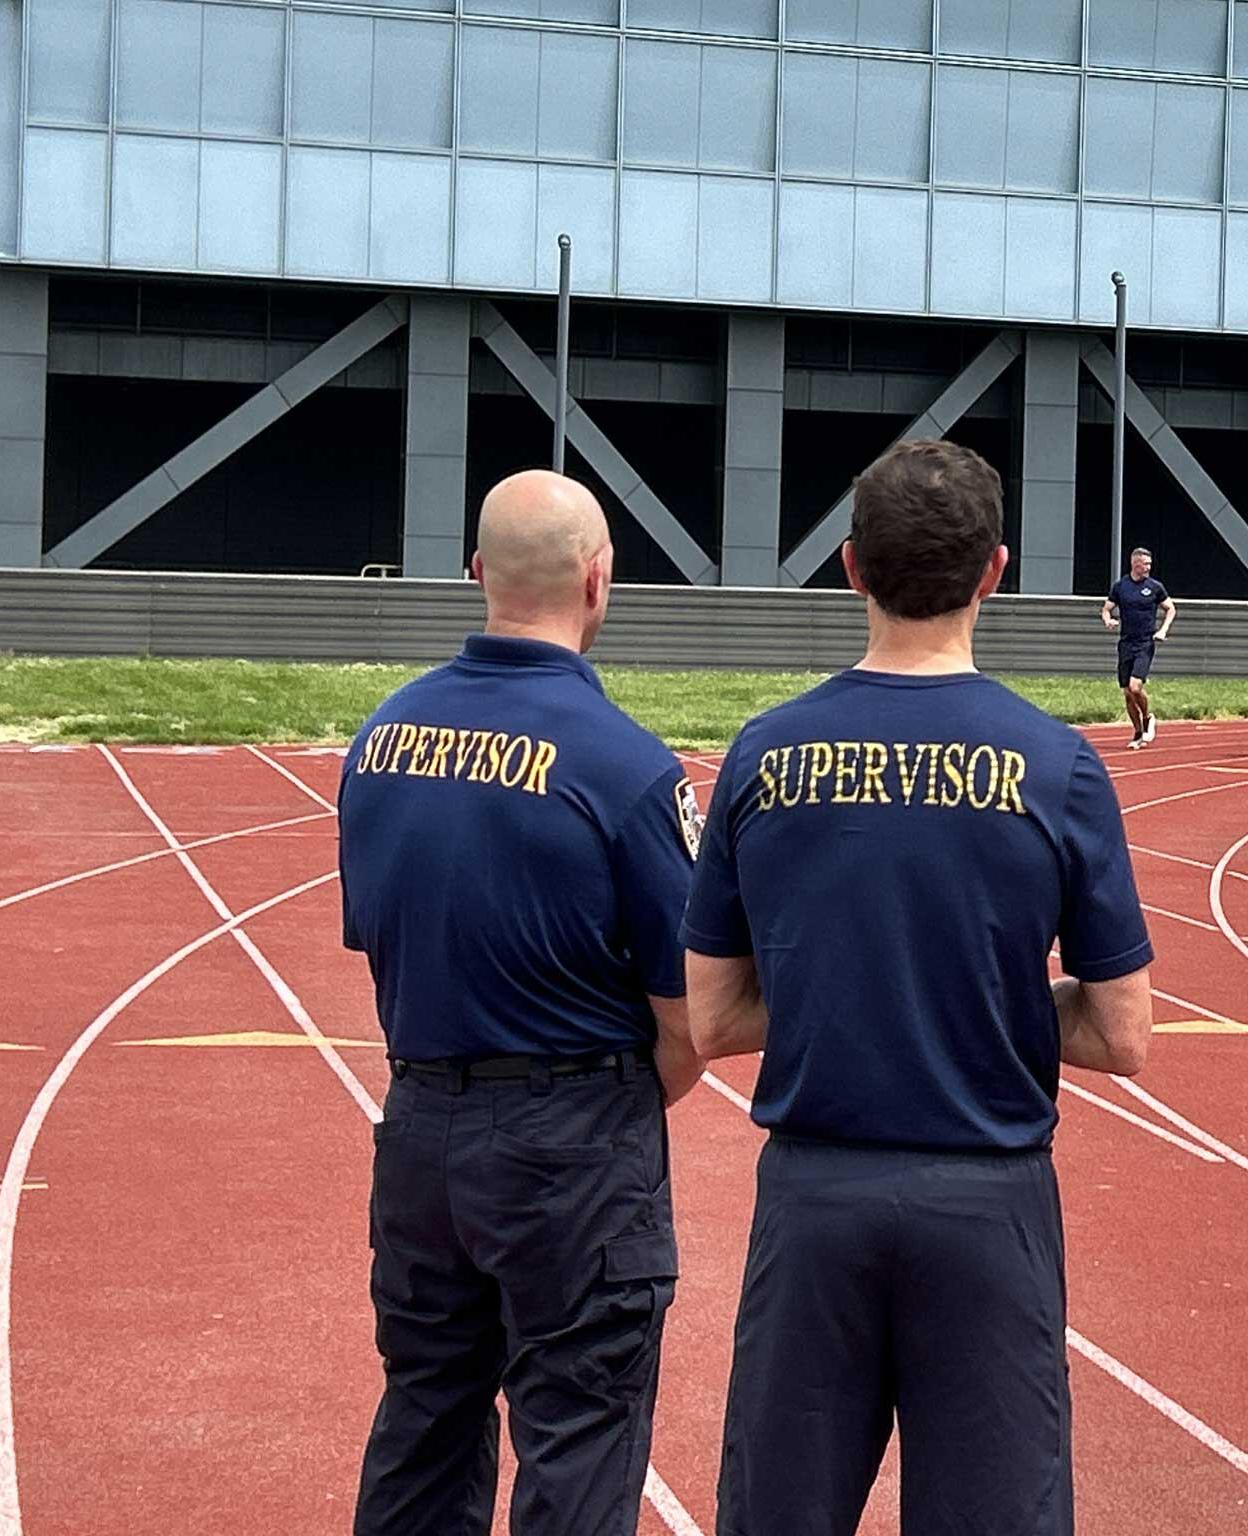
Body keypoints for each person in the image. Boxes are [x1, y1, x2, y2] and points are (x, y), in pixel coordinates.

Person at [682, 439, 1154, 1536]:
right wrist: (971, 1001)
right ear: (995, 571)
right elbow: (1125, 1035)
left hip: (814, 1200)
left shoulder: (762, 754)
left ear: (850, 567)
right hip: (988, 1202)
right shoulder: (1058, 764)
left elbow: (710, 1016)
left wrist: (858, 996)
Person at [341, 470, 703, 1536]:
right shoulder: (629, 770)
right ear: (600, 581)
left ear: (476, 576)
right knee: (580, 1439)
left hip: (419, 1130)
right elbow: (691, 1022)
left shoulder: (381, 741)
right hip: (572, 1140)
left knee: (424, 1421)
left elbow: (384, 948)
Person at [1101, 546, 1174, 749]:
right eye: (1145, 564)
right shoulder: (1120, 586)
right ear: (1135, 564)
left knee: (1135, 687)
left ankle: (1148, 717)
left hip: (1145, 643)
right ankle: (1137, 732)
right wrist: (1108, 620)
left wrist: (1163, 630)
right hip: (1126, 643)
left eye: (1150, 564)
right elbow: (1106, 608)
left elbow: (1170, 608)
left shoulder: (1155, 587)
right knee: (1127, 693)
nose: (1149, 568)